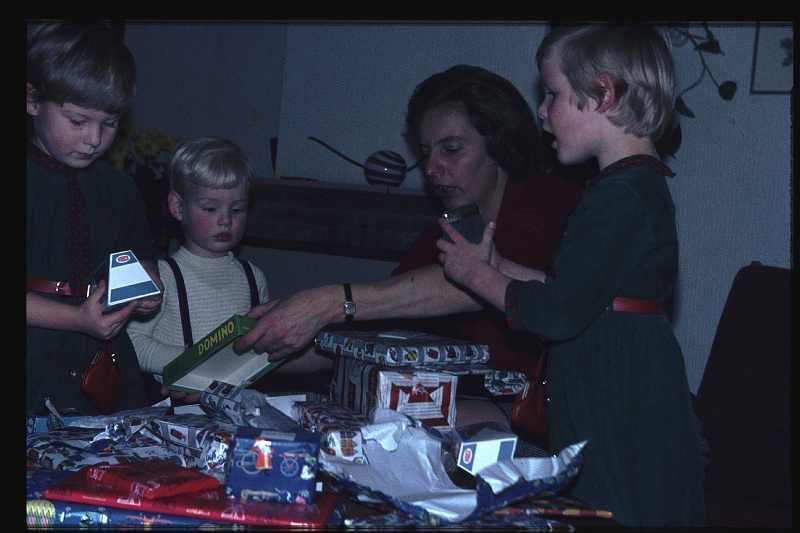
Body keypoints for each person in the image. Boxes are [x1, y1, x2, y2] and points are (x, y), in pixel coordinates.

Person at [435, 25, 706, 527]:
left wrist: (478, 278)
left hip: (619, 395)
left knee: (620, 507)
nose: (541, 110)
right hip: (608, 379)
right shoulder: (621, 190)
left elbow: (558, 313)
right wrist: (499, 267)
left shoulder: (625, 196)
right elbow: (579, 291)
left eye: (553, 94)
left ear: (603, 93)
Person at [234, 65, 583, 442]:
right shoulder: (445, 230)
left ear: (499, 147)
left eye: (451, 150)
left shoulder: (551, 198)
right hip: (482, 399)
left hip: (552, 410)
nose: (431, 169)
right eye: (426, 152)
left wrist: (330, 301)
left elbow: (475, 282)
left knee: (402, 427)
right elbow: (375, 325)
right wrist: (250, 353)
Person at [26, 22, 164, 416]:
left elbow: (140, 260)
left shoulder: (118, 189)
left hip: (107, 375)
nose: (94, 139)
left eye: (110, 123)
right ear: (32, 100)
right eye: (78, 121)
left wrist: (147, 289)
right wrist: (77, 319)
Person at [127, 137, 271, 404]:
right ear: (178, 207)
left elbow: (260, 346)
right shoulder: (162, 275)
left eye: (237, 209)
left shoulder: (253, 276)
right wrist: (195, 359)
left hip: (236, 406)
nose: (226, 219)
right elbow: (133, 345)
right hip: (176, 410)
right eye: (210, 208)